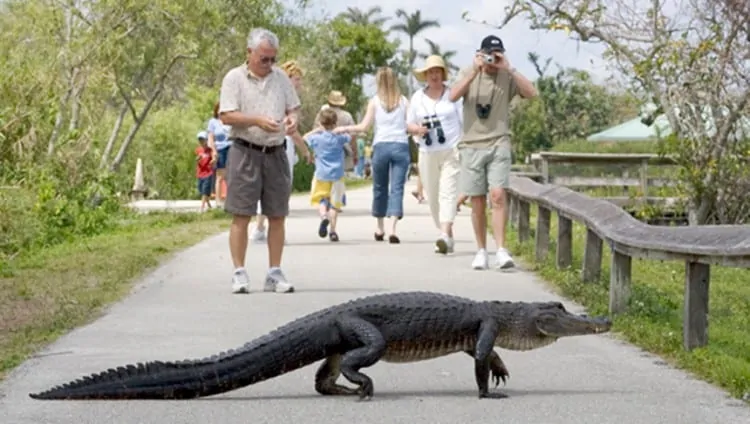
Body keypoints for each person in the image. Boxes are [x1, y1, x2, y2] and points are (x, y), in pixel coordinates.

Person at [218, 27, 301, 294]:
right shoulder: (233, 78)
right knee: (242, 214)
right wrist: (256, 120)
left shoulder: (280, 79)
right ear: (249, 53)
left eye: (272, 59)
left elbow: (294, 107)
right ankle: (239, 272)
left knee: (277, 214)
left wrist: (292, 120)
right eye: (263, 58)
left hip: (275, 151)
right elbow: (226, 115)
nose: (269, 64)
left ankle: (274, 272)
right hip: (245, 151)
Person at [449, 35, 538, 270]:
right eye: (489, 54)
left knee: (498, 194)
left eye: (496, 54)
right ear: (480, 53)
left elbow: (531, 93)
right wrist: (474, 71)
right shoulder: (469, 72)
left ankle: (501, 250)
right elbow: (453, 96)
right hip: (471, 144)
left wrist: (509, 67)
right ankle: (481, 250)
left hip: (499, 141)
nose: (492, 59)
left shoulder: (506, 75)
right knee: (477, 199)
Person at [333, 67, 411, 244]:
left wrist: (343, 128)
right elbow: (410, 124)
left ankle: (380, 226)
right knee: (397, 188)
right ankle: (392, 229)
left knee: (380, 187)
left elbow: (364, 127)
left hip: (381, 146)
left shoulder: (375, 101)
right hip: (400, 145)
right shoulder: (404, 101)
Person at [406, 55, 464, 255]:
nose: (434, 75)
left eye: (437, 72)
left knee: (448, 193)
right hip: (427, 151)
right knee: (432, 196)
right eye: (430, 72)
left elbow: (462, 120)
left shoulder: (452, 95)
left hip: (451, 149)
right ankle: (446, 234)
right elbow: (408, 124)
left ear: (443, 74)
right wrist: (417, 130)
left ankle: (444, 235)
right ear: (425, 75)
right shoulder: (417, 98)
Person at [250, 60, 312, 243]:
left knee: (271, 187)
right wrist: (305, 150)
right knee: (279, 189)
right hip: (280, 144)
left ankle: (260, 227)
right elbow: (290, 130)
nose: (299, 84)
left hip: (280, 145)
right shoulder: (282, 98)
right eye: (297, 79)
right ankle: (272, 229)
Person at [305, 108, 356, 242]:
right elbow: (352, 135)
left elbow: (305, 138)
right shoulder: (339, 138)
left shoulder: (317, 138)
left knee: (322, 200)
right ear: (335, 123)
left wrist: (317, 130)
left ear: (321, 123)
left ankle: (323, 217)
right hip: (337, 175)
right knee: (335, 205)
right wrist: (341, 129)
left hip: (321, 175)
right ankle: (333, 231)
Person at [206, 102, 232, 206]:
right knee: (220, 176)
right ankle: (218, 201)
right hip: (220, 148)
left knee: (231, 176)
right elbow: (211, 138)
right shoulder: (213, 122)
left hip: (232, 147)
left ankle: (231, 200)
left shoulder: (230, 121)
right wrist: (214, 151)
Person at [195, 131, 214, 212]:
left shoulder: (210, 150)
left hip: (208, 173)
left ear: (206, 140)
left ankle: (202, 208)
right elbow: (196, 160)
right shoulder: (198, 150)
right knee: (201, 190)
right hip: (200, 174)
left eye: (203, 140)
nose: (201, 142)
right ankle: (209, 205)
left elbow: (214, 158)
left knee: (204, 191)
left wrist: (213, 161)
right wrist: (197, 158)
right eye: (200, 140)